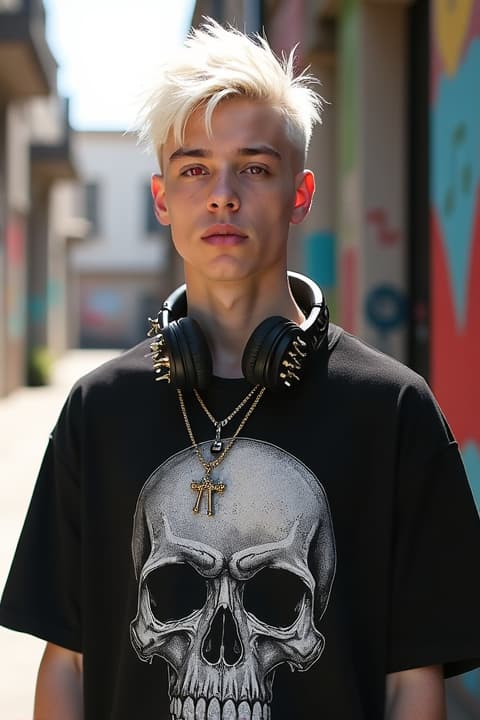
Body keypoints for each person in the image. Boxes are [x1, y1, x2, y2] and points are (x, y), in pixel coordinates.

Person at [1, 18, 480, 720]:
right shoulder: (97, 409)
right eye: (194, 168)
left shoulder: (395, 411)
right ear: (162, 197)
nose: (222, 195)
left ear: (301, 191)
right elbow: (67, 665)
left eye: (255, 167)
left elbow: (413, 683)